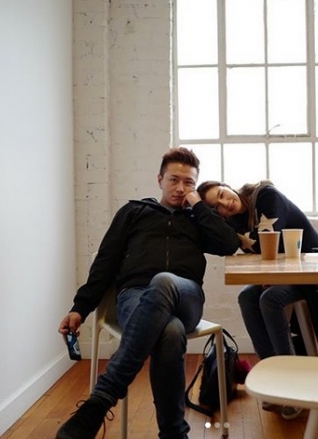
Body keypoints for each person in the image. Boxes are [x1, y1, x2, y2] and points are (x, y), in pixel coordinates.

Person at [56, 147, 240, 439]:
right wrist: (80, 308)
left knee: (164, 281)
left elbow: (229, 244)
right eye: (173, 180)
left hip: (186, 296)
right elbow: (105, 264)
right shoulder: (133, 212)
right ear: (159, 180)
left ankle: (102, 397)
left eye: (189, 183)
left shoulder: (198, 219)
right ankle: (174, 434)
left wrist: (197, 205)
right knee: (171, 332)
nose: (180, 188)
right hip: (136, 297)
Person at [196, 180, 318, 420]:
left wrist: (269, 272)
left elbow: (266, 241)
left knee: (270, 299)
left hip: (311, 272)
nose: (226, 204)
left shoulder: (266, 196)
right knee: (246, 297)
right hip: (281, 274)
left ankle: (292, 386)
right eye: (218, 208)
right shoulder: (233, 222)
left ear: (227, 186)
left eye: (223, 195)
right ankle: (273, 378)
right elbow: (228, 246)